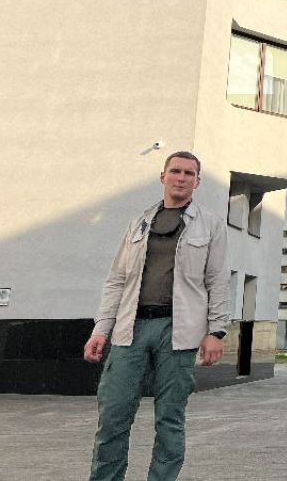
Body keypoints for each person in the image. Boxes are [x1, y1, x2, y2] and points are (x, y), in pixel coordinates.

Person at [83, 151, 230, 481]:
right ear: (163, 176)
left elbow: (218, 280)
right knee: (113, 416)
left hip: (179, 332)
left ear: (197, 182)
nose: (181, 178)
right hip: (130, 329)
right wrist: (101, 330)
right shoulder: (139, 222)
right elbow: (117, 279)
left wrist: (216, 331)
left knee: (169, 420)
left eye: (189, 173)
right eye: (175, 171)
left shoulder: (210, 225)